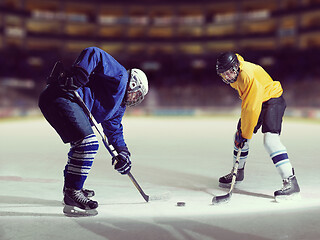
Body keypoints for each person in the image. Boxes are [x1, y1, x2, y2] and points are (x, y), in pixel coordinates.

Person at [38, 47, 148, 215]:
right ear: (133, 84)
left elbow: (114, 131)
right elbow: (94, 53)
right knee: (87, 143)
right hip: (62, 97)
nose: (135, 99)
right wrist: (79, 75)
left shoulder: (118, 107)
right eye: (137, 94)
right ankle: (73, 190)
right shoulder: (120, 76)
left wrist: (123, 152)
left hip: (67, 103)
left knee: (81, 145)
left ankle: (71, 190)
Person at [215, 52, 300, 202]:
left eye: (229, 72)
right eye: (224, 74)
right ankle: (237, 172)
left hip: (272, 100)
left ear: (236, 67)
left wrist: (245, 133)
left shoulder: (247, 75)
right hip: (260, 100)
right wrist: (242, 133)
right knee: (239, 136)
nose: (227, 77)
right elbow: (249, 105)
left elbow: (252, 109)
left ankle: (291, 182)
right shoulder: (236, 74)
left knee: (270, 141)